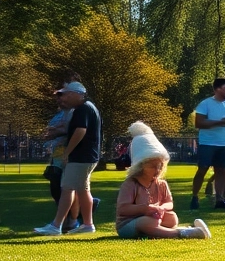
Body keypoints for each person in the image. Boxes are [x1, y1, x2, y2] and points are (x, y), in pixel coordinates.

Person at [114, 122, 210, 239]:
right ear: (140, 167)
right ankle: (181, 233)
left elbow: (169, 203)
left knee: (172, 217)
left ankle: (163, 231)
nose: (157, 170)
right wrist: (146, 209)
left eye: (160, 166)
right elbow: (123, 209)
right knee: (146, 222)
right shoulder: (131, 184)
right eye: (152, 167)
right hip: (129, 224)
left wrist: (161, 208)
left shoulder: (161, 184)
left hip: (154, 218)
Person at [35, 82, 101, 237]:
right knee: (83, 191)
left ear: (74, 94)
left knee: (67, 188)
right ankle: (87, 224)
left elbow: (80, 131)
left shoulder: (82, 109)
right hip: (88, 156)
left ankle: (56, 225)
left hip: (80, 156)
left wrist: (67, 153)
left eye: (64, 95)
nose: (63, 98)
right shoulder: (88, 107)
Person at [190, 78, 225, 210]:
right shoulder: (205, 104)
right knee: (203, 169)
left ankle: (219, 199)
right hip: (207, 143)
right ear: (217, 89)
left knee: (221, 171)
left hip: (223, 144)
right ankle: (194, 196)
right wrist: (218, 122)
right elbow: (199, 123)